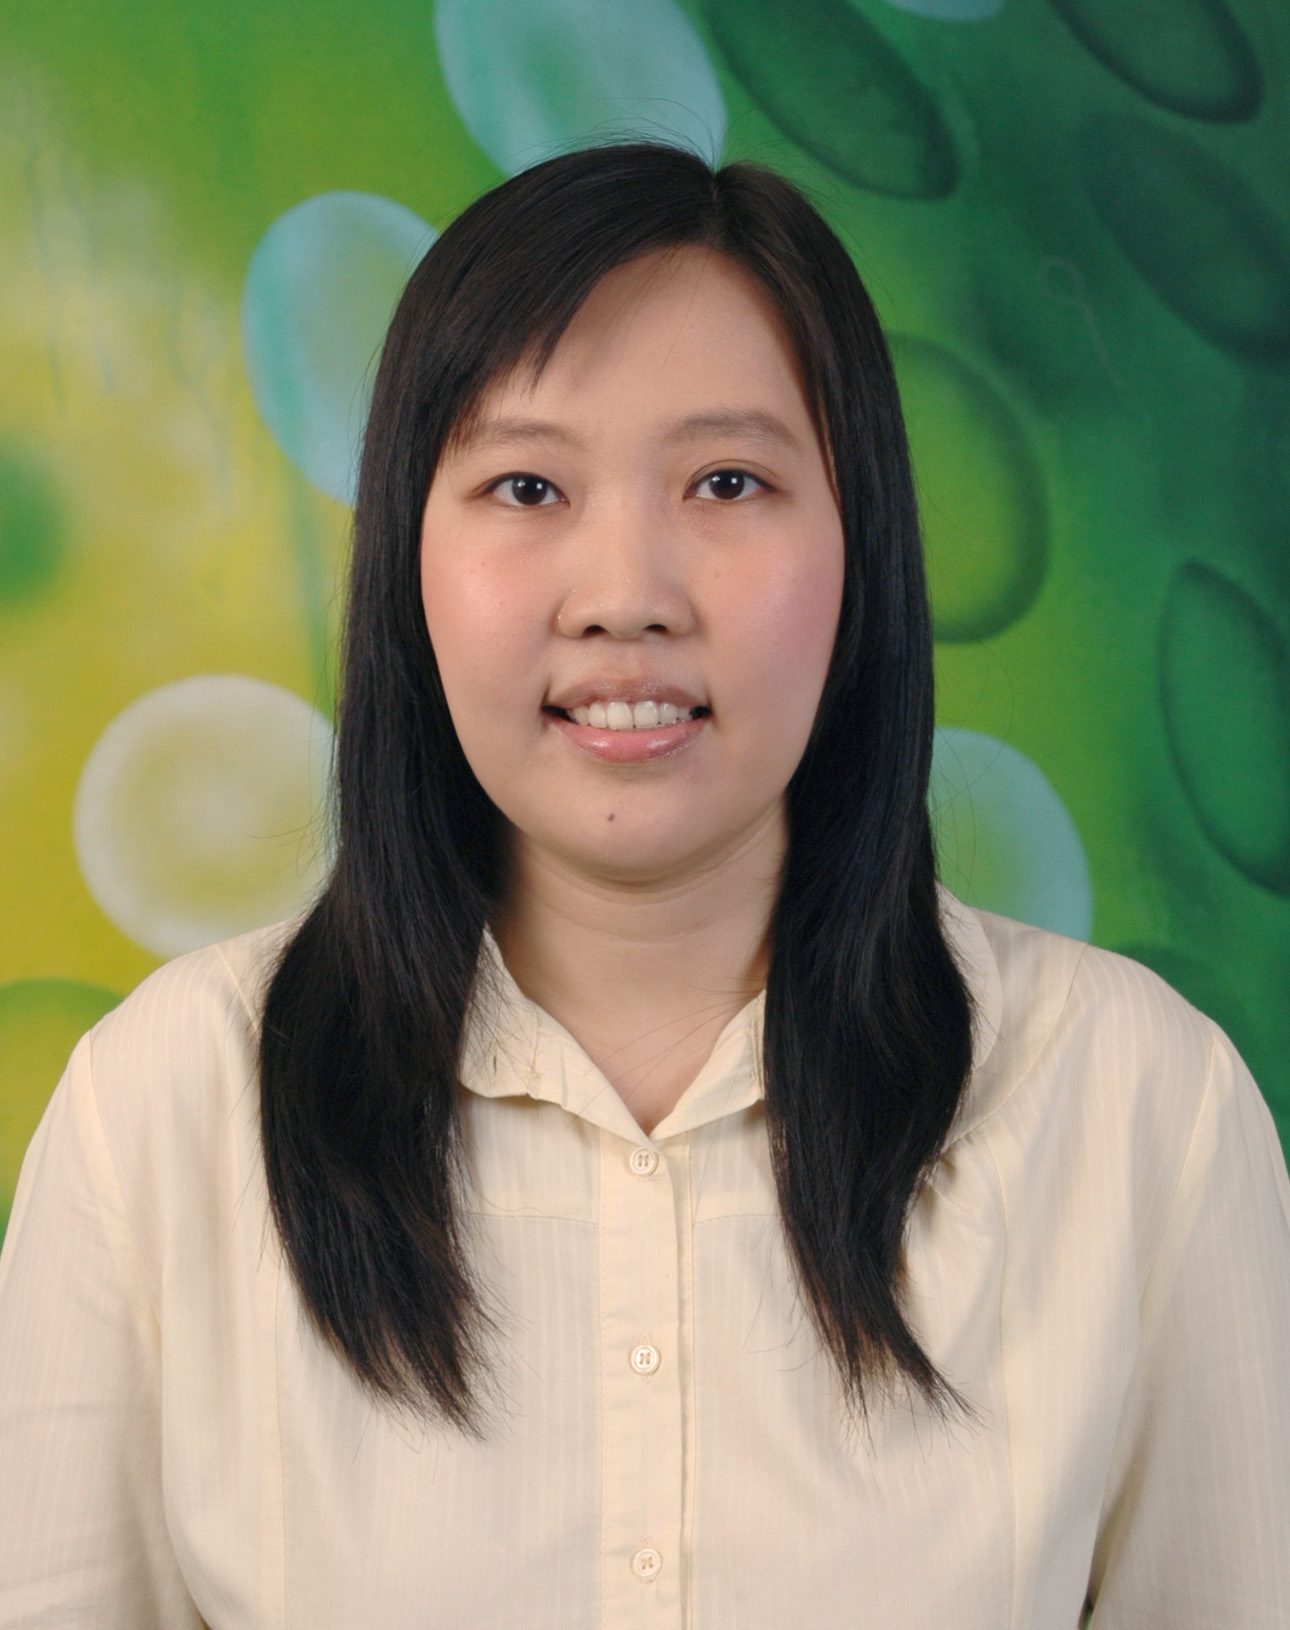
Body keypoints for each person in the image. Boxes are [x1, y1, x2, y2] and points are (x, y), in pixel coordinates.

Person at [1, 141, 1287, 1629]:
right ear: (408, 558)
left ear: (861, 545)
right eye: (525, 484)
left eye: (728, 481)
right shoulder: (164, 1112)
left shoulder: (1137, 1108)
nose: (626, 595)